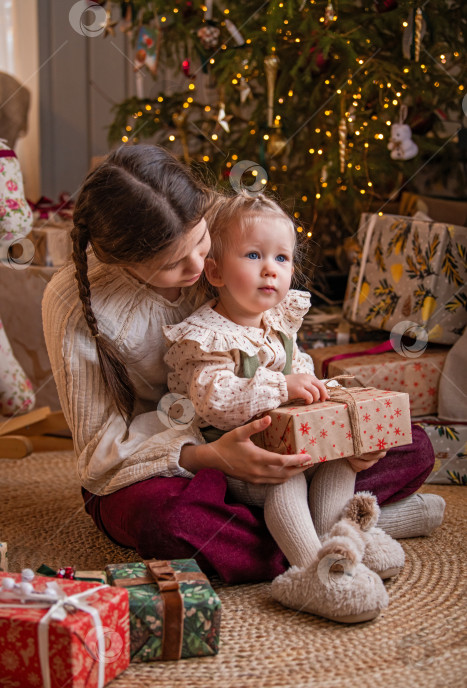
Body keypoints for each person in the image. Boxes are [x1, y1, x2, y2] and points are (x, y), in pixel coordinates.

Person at [42, 145, 444, 594]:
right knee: (170, 523)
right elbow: (99, 457)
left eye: (200, 243)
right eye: (174, 264)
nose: (200, 268)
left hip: (271, 438)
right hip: (166, 463)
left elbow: (279, 349)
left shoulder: (227, 226)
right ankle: (345, 528)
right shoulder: (76, 302)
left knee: (410, 440)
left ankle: (305, 525)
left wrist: (344, 431)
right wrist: (210, 457)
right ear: (124, 261)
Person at [162, 192, 409, 622]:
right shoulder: (207, 336)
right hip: (241, 458)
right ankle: (313, 570)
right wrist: (282, 385)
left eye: (281, 258)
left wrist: (346, 422)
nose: (270, 270)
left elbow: (308, 380)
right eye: (254, 254)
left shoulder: (280, 325)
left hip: (293, 441)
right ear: (215, 271)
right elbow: (215, 400)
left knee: (340, 461)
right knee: (287, 478)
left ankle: (344, 538)